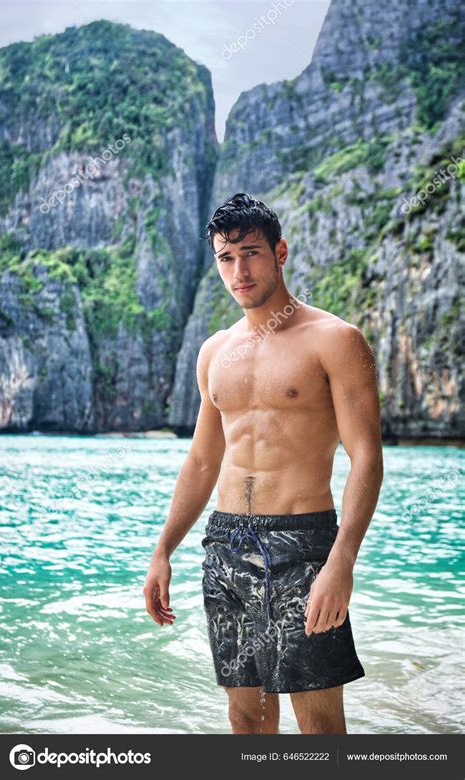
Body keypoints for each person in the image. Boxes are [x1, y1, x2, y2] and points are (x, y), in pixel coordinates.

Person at [143, 192, 383, 734]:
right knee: (246, 717)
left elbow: (366, 456)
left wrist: (341, 561)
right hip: (226, 544)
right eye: (226, 258)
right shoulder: (213, 352)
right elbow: (203, 461)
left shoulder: (335, 341)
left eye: (250, 253)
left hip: (303, 545)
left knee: (318, 723)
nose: (239, 270)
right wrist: (163, 551)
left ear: (281, 252)